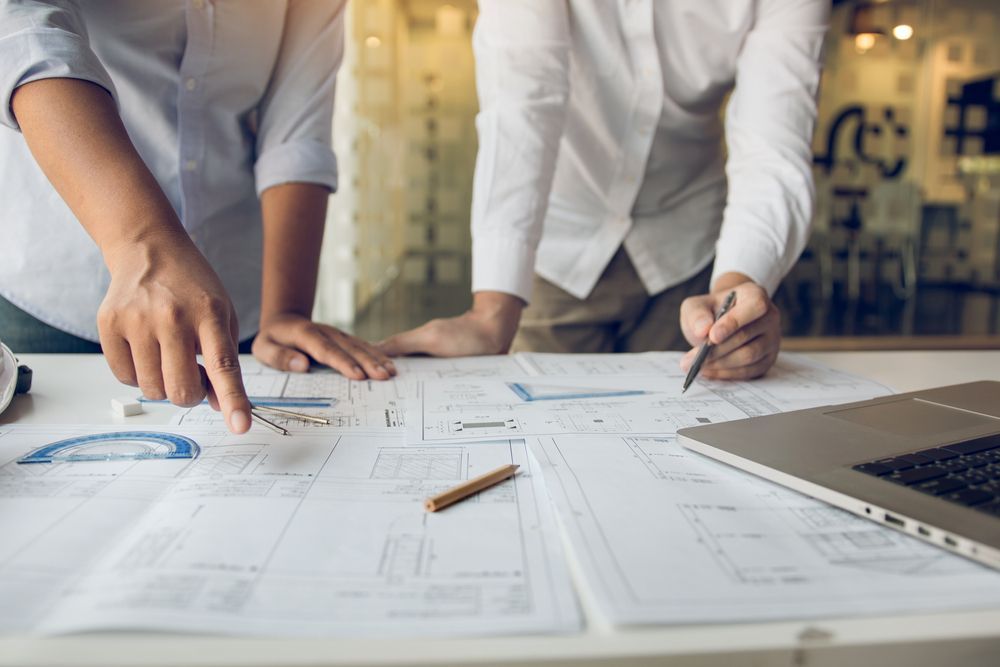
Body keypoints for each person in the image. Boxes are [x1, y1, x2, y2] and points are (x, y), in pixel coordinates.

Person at [0, 1, 396, 434]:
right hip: (52, 295)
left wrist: (285, 312)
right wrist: (142, 242)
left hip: (232, 304)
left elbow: (295, 130)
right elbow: (27, 40)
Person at [381, 0, 829, 381]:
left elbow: (772, 147)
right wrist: (492, 311)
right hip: (555, 251)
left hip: (692, 252)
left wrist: (739, 286)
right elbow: (523, 105)